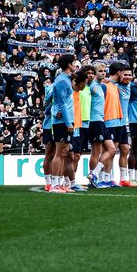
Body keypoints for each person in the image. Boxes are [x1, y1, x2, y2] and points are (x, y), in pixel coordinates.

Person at [49, 54, 77, 194]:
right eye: (74, 62)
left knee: (64, 152)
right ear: (69, 64)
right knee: (60, 153)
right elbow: (61, 103)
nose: (76, 65)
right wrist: (68, 122)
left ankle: (59, 184)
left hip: (66, 120)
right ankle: (54, 185)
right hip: (62, 122)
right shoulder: (61, 80)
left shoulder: (65, 79)